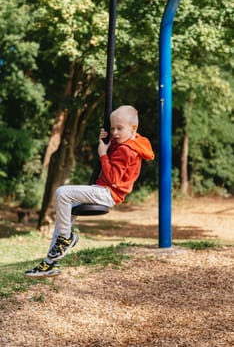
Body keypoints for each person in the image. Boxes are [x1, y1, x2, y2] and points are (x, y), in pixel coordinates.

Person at [25, 105, 154, 278]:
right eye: (112, 128)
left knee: (62, 193)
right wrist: (108, 139)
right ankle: (49, 264)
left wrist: (103, 154)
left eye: (119, 128)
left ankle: (66, 239)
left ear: (133, 128)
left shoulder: (126, 150)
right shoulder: (133, 141)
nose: (115, 132)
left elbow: (114, 179)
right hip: (103, 190)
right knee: (64, 219)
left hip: (107, 192)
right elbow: (120, 142)